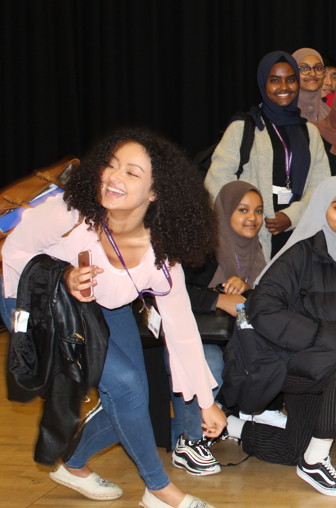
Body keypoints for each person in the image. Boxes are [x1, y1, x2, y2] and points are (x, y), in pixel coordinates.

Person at [2, 128, 226, 508]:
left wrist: (206, 401)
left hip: (103, 306)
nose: (113, 177)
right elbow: (13, 254)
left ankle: (72, 464)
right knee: (124, 385)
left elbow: (182, 331)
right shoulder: (69, 213)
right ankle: (158, 489)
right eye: (111, 165)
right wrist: (62, 276)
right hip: (31, 299)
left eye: (131, 173)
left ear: (155, 192)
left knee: (134, 392)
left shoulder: (161, 258)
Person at [229, 177, 336, 497]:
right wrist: (321, 337)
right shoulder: (302, 253)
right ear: (322, 208)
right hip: (294, 361)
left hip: (320, 363)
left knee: (291, 450)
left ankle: (231, 427)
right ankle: (317, 461)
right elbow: (262, 309)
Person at [173, 181, 266, 476]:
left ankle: (217, 424)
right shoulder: (202, 250)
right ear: (225, 212)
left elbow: (263, 298)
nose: (252, 218)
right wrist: (218, 297)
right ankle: (190, 442)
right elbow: (173, 290)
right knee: (210, 361)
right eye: (243, 210)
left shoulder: (257, 250)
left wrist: (248, 287)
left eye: (259, 211)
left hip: (229, 338)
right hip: (187, 338)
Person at [205, 50, 330, 259]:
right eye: (275, 80)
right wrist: (247, 219)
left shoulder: (310, 133)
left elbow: (321, 185)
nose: (283, 87)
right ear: (263, 83)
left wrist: (292, 216)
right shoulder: (244, 127)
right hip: (251, 240)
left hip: (298, 236)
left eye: (290, 80)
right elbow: (216, 180)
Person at [291, 48, 331, 123]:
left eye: (318, 68)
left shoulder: (328, 114)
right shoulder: (284, 112)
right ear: (293, 72)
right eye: (304, 68)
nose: (312, 73)